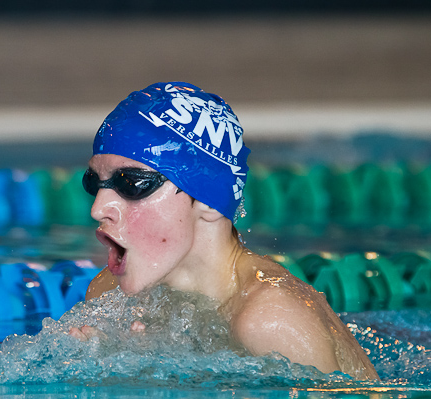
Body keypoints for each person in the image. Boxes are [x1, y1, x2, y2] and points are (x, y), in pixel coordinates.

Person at [69, 82, 379, 381]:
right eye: (94, 183)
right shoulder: (108, 294)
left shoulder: (270, 320)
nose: (98, 208)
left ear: (208, 201)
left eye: (133, 184)